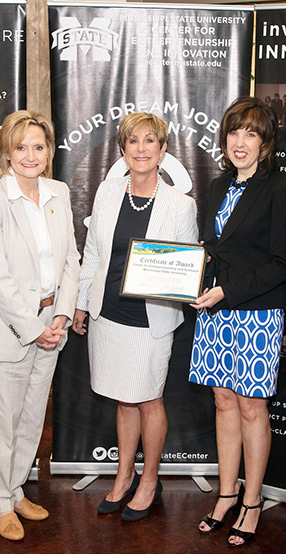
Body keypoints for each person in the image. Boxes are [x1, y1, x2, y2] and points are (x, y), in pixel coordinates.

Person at [71, 112, 197, 522]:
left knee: (148, 399)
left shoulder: (180, 205)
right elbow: (92, 251)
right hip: (108, 313)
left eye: (150, 141)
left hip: (152, 319)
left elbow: (184, 267)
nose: (141, 149)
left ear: (163, 150)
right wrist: (81, 302)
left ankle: (149, 479)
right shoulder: (107, 193)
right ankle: (123, 476)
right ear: (123, 149)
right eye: (133, 142)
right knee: (124, 399)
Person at [189, 96, 286, 546]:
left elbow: (282, 263)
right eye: (234, 132)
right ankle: (226, 493)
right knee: (222, 402)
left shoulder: (281, 188)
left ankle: (252, 501)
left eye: (251, 133)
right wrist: (191, 280)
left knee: (252, 406)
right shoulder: (217, 186)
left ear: (266, 141)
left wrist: (225, 291)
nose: (241, 142)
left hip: (255, 313)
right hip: (215, 313)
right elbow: (211, 250)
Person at [0, 111, 80, 541]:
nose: (30, 155)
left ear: (49, 151)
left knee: (32, 417)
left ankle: (15, 490)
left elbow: (71, 260)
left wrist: (62, 315)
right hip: (8, 328)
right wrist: (33, 328)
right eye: (21, 147)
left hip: (53, 323)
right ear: (6, 152)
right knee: (4, 420)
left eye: (38, 146)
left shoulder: (59, 191)